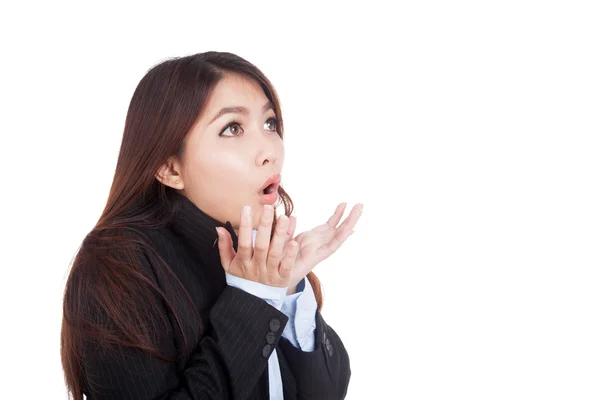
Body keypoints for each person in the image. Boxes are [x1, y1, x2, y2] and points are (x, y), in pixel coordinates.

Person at [60, 51, 362, 400]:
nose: (269, 151)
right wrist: (256, 297)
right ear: (170, 169)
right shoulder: (117, 266)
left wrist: (290, 288)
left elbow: (326, 392)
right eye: (232, 128)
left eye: (270, 123)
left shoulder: (254, 250)